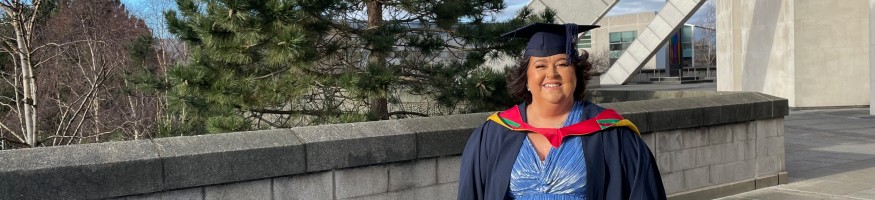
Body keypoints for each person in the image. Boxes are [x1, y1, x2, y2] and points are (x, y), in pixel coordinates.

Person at [457, 23, 666, 200]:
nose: (552, 74)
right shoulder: (492, 134)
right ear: (526, 79)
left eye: (562, 64)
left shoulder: (612, 134)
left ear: (576, 74)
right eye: (540, 66)